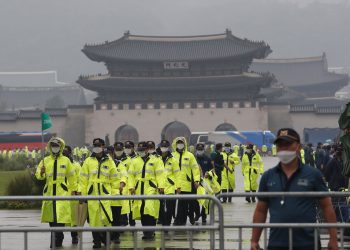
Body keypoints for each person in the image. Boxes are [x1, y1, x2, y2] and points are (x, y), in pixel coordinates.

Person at [251, 128, 338, 250]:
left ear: (298, 147)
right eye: (280, 145)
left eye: (287, 144)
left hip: (308, 243)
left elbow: (327, 206)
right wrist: (254, 240)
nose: (283, 149)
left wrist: (333, 238)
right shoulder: (268, 176)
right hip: (277, 243)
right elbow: (260, 210)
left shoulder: (313, 175)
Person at [35, 137, 77, 248]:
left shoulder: (66, 161)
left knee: (60, 217)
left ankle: (57, 239)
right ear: (50, 147)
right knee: (52, 220)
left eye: (57, 145)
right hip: (49, 193)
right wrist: (41, 173)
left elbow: (72, 177)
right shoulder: (45, 160)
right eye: (53, 145)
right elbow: (39, 176)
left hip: (62, 193)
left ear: (61, 147)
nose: (55, 147)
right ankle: (56, 238)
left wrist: (74, 190)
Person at [79, 138, 119, 249]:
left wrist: (115, 193)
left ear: (103, 146)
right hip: (92, 195)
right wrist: (82, 194)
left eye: (98, 145)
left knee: (106, 217)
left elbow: (115, 179)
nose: (96, 147)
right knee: (94, 219)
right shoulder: (88, 161)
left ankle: (105, 238)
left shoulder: (109, 161)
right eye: (95, 145)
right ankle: (96, 241)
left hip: (105, 194)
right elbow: (83, 179)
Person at [128, 141, 165, 240]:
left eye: (142, 150)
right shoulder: (134, 161)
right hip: (139, 188)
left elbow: (160, 174)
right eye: (139, 150)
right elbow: (131, 175)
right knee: (142, 210)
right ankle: (146, 232)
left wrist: (161, 186)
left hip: (151, 187)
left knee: (150, 208)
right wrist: (131, 187)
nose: (141, 152)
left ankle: (151, 230)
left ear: (147, 149)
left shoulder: (156, 160)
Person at [172, 137, 200, 225]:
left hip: (187, 183)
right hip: (175, 183)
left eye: (182, 143)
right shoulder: (172, 155)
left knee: (187, 203)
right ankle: (178, 219)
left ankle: (187, 218)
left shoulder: (189, 155)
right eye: (178, 143)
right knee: (177, 203)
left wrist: (196, 180)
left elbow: (195, 168)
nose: (180, 144)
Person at [324, 144, 349, 222]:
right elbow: (326, 174)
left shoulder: (344, 162)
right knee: (336, 204)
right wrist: (331, 181)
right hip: (335, 186)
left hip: (343, 186)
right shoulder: (332, 162)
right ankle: (336, 221)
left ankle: (341, 220)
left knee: (342, 204)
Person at [159, 140, 180, 228]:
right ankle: (163, 222)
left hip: (170, 186)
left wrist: (178, 186)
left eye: (165, 147)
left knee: (170, 206)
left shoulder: (173, 160)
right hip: (159, 186)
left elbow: (177, 174)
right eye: (162, 146)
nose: (164, 148)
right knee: (160, 207)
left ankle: (167, 223)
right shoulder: (156, 158)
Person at [62, 145, 81, 245]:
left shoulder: (76, 165)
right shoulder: (58, 164)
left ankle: (74, 236)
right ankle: (58, 237)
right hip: (61, 194)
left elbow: (79, 179)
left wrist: (77, 191)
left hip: (72, 194)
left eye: (66, 152)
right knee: (61, 216)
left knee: (74, 218)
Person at [110, 142, 128, 244]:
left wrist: (122, 183)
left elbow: (124, 175)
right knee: (107, 217)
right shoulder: (102, 164)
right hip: (106, 194)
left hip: (116, 193)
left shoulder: (119, 164)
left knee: (116, 216)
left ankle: (116, 236)